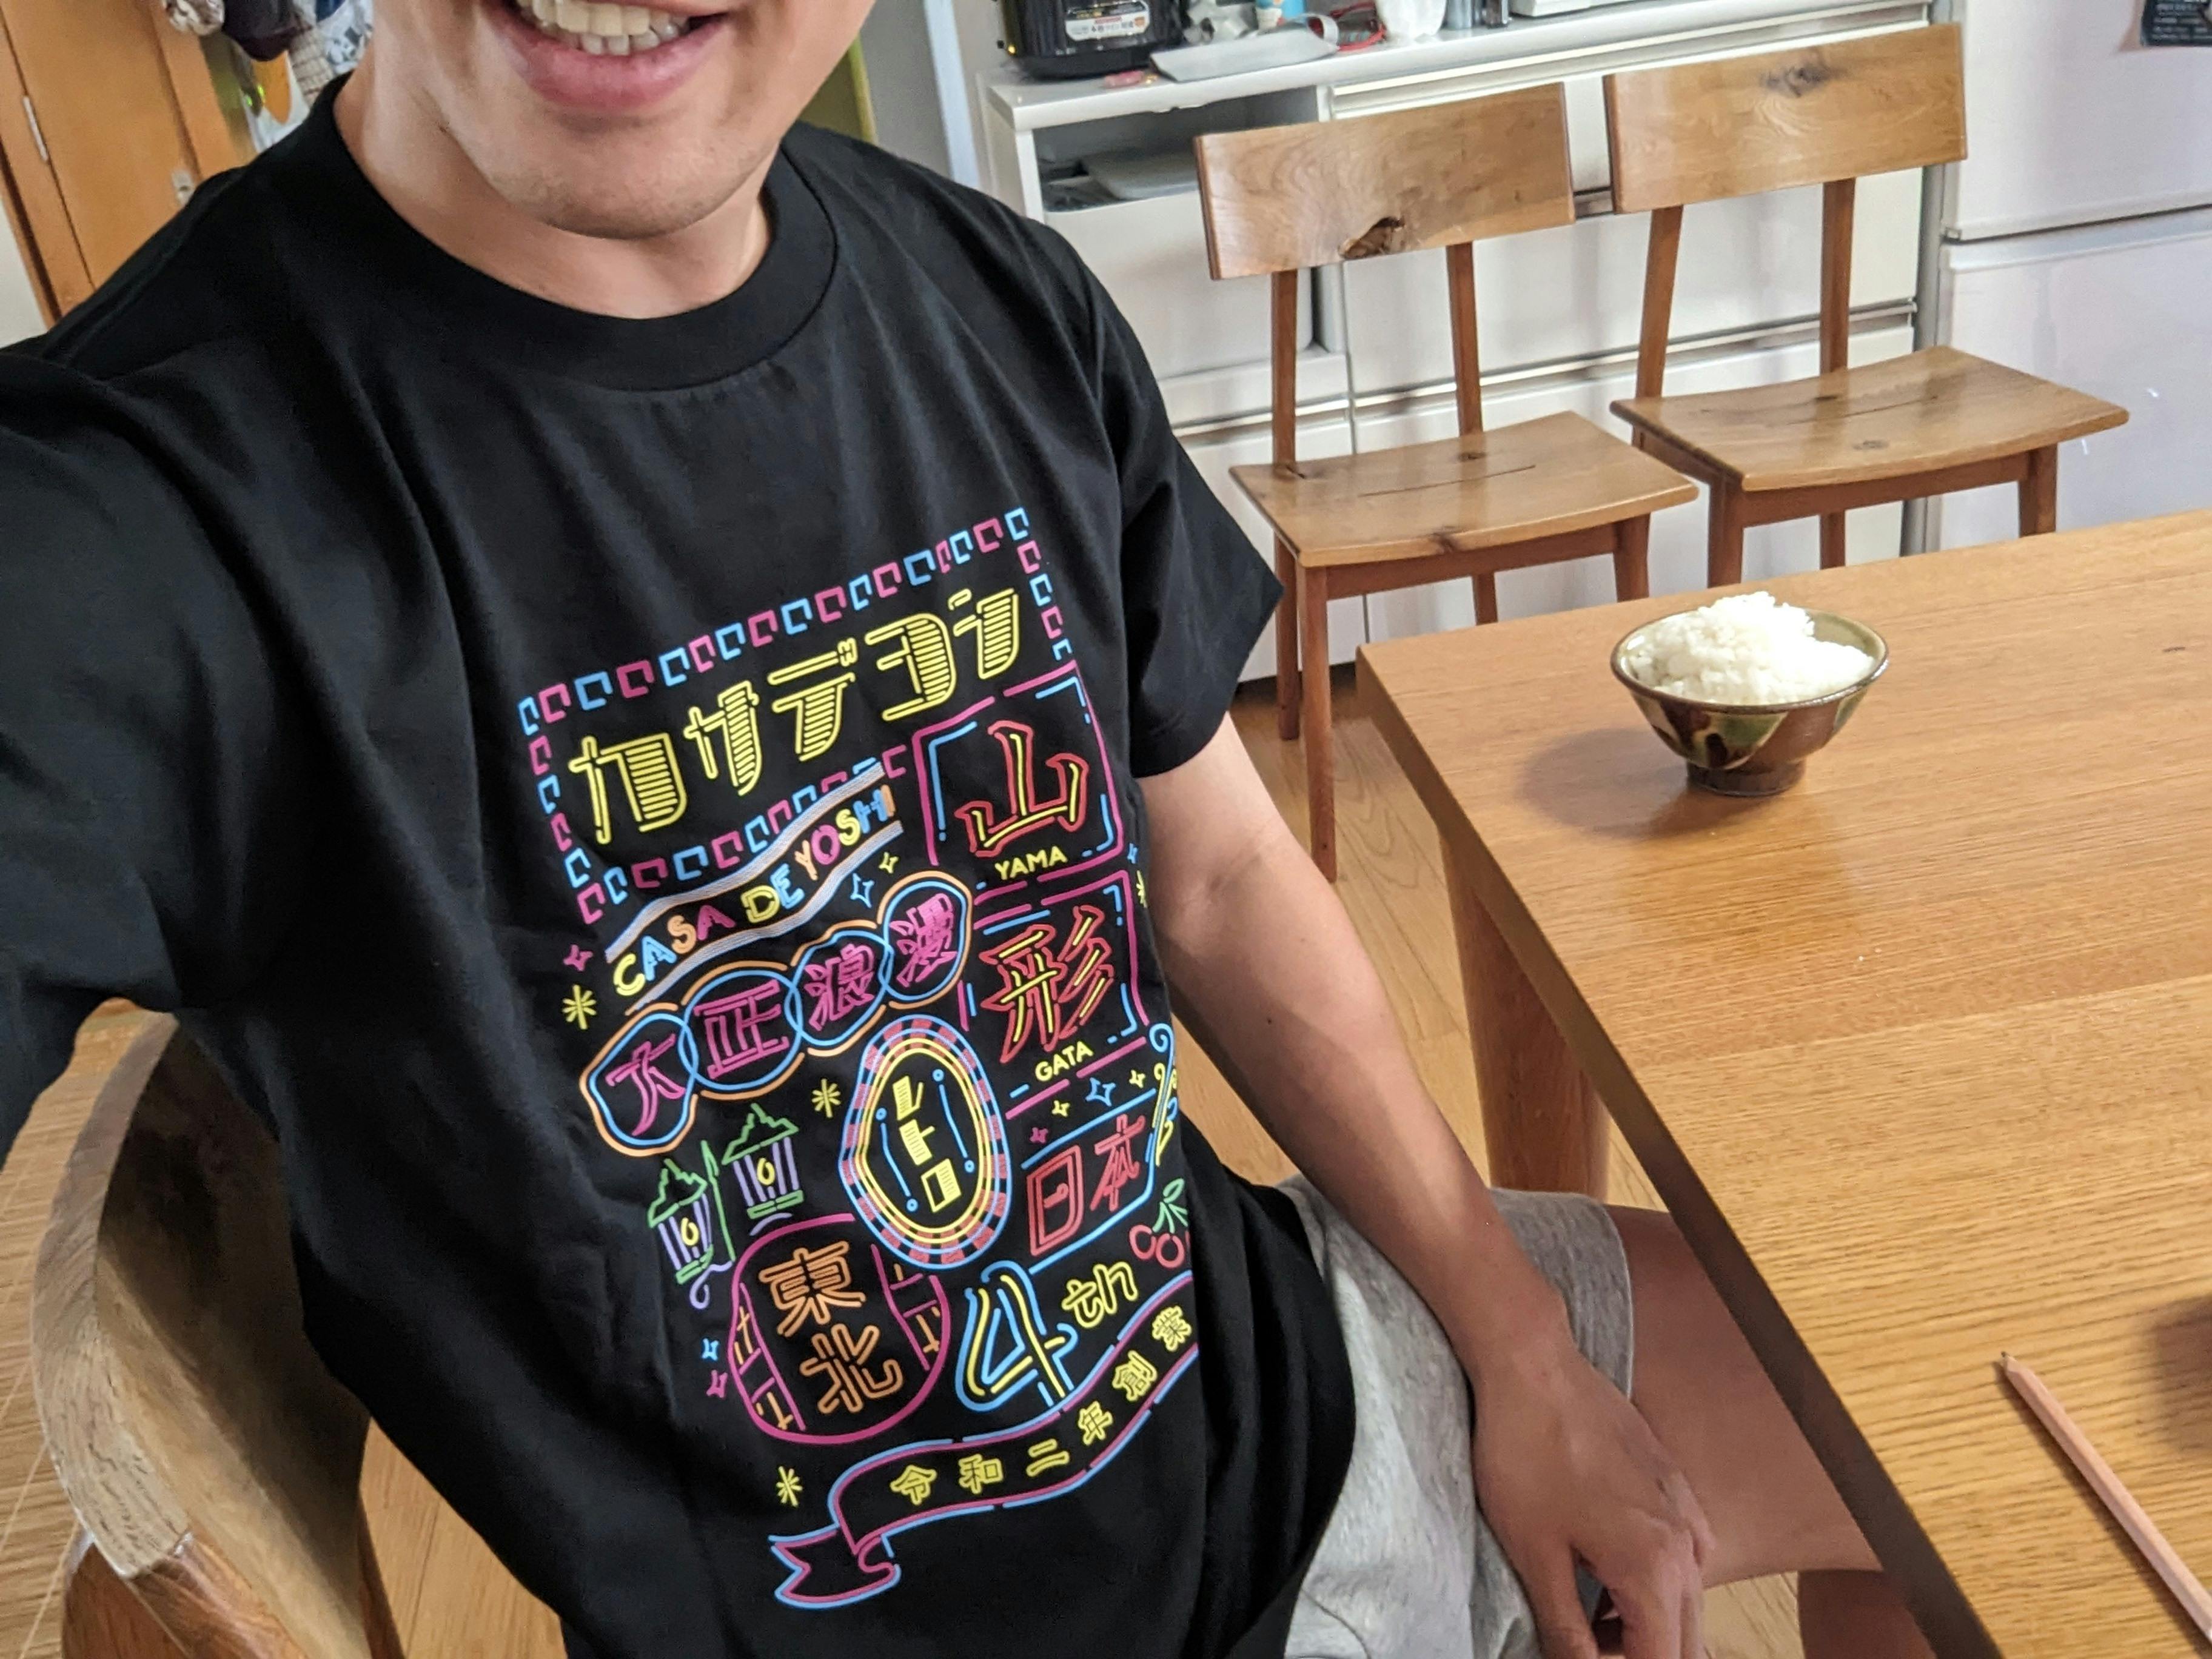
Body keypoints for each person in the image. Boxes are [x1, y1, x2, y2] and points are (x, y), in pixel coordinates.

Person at [0, 4, 1936, 1657]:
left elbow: (1223, 879)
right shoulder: (131, 512)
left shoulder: (995, 297)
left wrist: (1517, 1346)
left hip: (1291, 1393)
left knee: (1910, 1401)